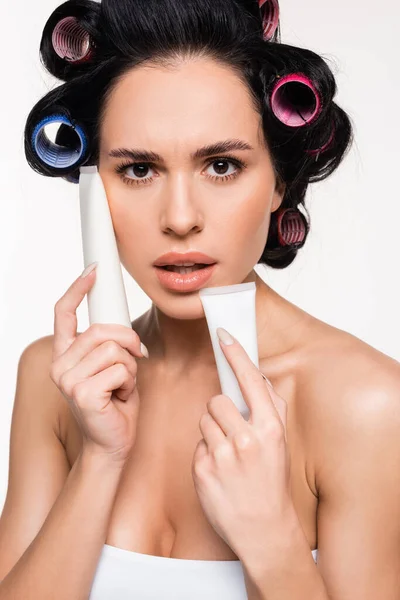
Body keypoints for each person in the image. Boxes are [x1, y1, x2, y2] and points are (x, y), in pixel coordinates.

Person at [0, 0, 399, 598]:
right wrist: (100, 461)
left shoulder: (366, 406)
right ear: (93, 186)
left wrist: (272, 542)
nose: (180, 218)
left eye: (221, 165)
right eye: (138, 170)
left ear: (279, 183)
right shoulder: (56, 382)